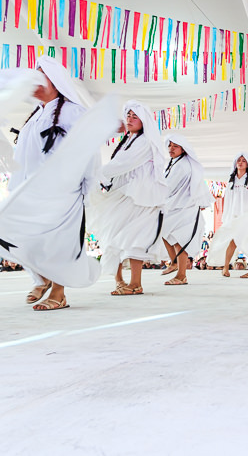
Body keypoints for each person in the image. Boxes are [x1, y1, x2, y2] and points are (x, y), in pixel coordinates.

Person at [0, 57, 115, 310]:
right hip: (34, 189)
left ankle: (59, 293)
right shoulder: (35, 116)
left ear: (56, 80)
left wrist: (85, 183)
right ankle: (42, 278)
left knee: (59, 241)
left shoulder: (73, 111)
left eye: (42, 76)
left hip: (64, 190)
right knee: (26, 236)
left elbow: (87, 149)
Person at [92, 100, 169, 295]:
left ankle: (136, 283)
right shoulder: (128, 140)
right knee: (113, 235)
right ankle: (120, 281)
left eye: (135, 116)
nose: (130, 119)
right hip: (123, 193)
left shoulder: (144, 141)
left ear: (144, 121)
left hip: (141, 197)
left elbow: (123, 163)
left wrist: (97, 174)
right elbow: (119, 165)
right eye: (128, 115)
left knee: (134, 238)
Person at [160, 134, 214, 285]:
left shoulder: (183, 165)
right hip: (175, 206)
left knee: (180, 240)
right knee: (164, 233)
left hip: (184, 207)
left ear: (183, 149)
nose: (171, 148)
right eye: (170, 145)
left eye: (175, 146)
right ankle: (175, 263)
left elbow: (169, 186)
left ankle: (181, 275)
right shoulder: (175, 162)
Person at [206, 153, 248, 278]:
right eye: (239, 161)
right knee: (232, 241)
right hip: (234, 215)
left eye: (243, 161)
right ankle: (225, 268)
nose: (240, 163)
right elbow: (229, 199)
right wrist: (227, 215)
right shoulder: (231, 179)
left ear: (247, 164)